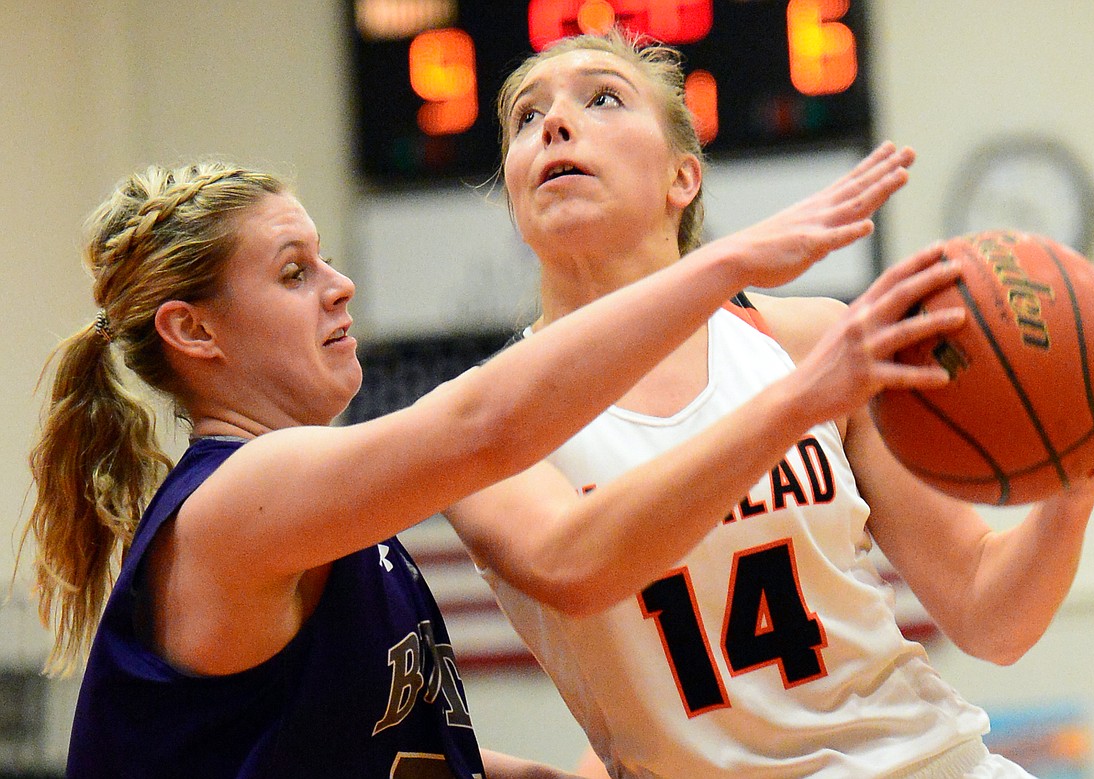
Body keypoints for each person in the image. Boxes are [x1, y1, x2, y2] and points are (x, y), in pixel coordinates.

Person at [18, 130, 935, 777]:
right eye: (293, 272)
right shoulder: (235, 498)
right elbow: (483, 428)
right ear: (193, 330)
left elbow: (351, 742)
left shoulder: (323, 522)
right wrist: (723, 269)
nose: (339, 289)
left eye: (324, 261)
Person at [442, 29, 1094, 779]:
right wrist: (795, 403)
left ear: (682, 178)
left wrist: (1073, 490)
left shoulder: (807, 339)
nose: (555, 123)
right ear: (514, 196)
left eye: (602, 99)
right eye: (526, 117)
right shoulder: (482, 419)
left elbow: (991, 612)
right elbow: (578, 562)